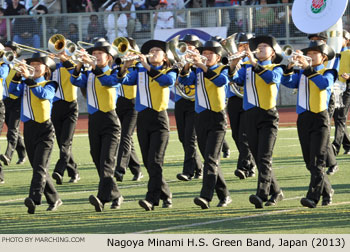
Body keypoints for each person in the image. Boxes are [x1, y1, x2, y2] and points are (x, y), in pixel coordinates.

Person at [115, 39, 175, 211]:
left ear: (164, 57)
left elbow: (167, 82)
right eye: (151, 50)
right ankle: (166, 194)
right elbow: (125, 81)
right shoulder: (140, 71)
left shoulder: (169, 70)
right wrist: (124, 67)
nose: (153, 52)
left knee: (155, 162)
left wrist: (147, 67)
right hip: (142, 119)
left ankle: (151, 199)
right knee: (149, 164)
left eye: (157, 50)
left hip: (159, 120)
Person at [67, 39, 124, 212]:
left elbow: (108, 82)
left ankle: (101, 199)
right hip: (94, 120)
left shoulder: (113, 72)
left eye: (101, 54)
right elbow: (75, 81)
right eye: (95, 53)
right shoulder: (90, 72)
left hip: (110, 120)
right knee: (97, 158)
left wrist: (94, 67)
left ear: (109, 58)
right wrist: (78, 64)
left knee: (106, 161)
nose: (97, 56)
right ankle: (115, 195)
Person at [230, 35, 284, 208]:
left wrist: (253, 63)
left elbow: (271, 79)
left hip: (268, 116)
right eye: (258, 46)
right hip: (249, 116)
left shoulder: (277, 68)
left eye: (264, 46)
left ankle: (261, 194)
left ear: (273, 52)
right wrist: (234, 63)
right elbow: (236, 81)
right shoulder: (246, 68)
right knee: (259, 157)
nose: (259, 48)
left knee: (265, 157)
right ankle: (276, 192)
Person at [281, 40, 336, 208]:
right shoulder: (302, 73)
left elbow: (323, 84)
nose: (309, 56)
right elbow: (287, 82)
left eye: (314, 54)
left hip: (320, 118)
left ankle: (312, 197)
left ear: (323, 57)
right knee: (309, 162)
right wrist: (290, 67)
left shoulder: (329, 71)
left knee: (318, 160)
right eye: (308, 53)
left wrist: (307, 67)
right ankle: (327, 191)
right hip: (303, 118)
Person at [178, 40, 232, 209]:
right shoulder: (198, 70)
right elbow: (185, 82)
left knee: (210, 159)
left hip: (217, 118)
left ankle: (205, 196)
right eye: (205, 53)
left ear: (218, 56)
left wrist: (202, 66)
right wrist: (186, 67)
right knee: (211, 160)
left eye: (210, 54)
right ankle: (224, 195)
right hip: (200, 118)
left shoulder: (223, 69)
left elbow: (220, 82)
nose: (206, 56)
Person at [9, 52, 62, 214]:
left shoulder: (50, 83)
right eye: (33, 64)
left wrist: (29, 79)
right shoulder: (26, 83)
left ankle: (34, 198)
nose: (35, 67)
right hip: (29, 129)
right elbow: (12, 93)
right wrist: (18, 76)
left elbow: (43, 95)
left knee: (40, 167)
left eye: (39, 64)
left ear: (46, 69)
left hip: (45, 130)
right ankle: (55, 199)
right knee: (39, 168)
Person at [225, 32, 256, 180]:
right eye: (241, 45)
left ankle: (243, 166)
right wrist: (232, 64)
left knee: (244, 135)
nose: (244, 47)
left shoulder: (254, 60)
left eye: (247, 45)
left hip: (249, 99)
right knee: (236, 135)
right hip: (234, 98)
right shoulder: (231, 58)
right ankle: (250, 163)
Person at [307, 32, 339, 176]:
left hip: (327, 94)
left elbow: (329, 76)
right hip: (311, 94)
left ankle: (332, 163)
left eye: (316, 40)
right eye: (312, 40)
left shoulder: (330, 55)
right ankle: (330, 162)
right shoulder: (311, 55)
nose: (313, 42)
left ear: (324, 41)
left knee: (323, 132)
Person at [113, 38, 143, 182]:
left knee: (125, 136)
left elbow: (129, 78)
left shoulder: (138, 66)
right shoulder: (118, 64)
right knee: (124, 138)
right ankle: (137, 169)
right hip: (119, 103)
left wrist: (128, 65)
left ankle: (120, 169)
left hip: (134, 104)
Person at [174, 34, 203, 182]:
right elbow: (175, 79)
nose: (187, 47)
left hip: (195, 102)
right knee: (182, 138)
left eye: (191, 44)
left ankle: (188, 171)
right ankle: (198, 167)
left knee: (190, 138)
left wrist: (196, 62)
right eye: (185, 44)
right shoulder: (179, 61)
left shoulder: (201, 62)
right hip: (181, 101)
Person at [50, 50, 80, 185]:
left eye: (63, 52)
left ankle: (59, 170)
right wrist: (47, 61)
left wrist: (64, 59)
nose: (60, 54)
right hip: (55, 107)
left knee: (65, 142)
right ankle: (74, 172)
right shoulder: (53, 68)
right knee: (61, 142)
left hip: (70, 107)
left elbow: (75, 71)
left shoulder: (72, 66)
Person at [0, 41, 26, 166]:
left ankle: (8, 155)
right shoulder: (3, 64)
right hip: (5, 101)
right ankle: (22, 153)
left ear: (15, 53)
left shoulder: (20, 65)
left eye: (8, 50)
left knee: (12, 129)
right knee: (13, 130)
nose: (5, 52)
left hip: (17, 100)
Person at [332, 30, 350, 155]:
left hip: (346, 87)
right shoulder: (332, 54)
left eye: (340, 38)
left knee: (340, 117)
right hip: (335, 88)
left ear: (347, 40)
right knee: (337, 117)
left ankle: (335, 147)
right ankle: (348, 145)